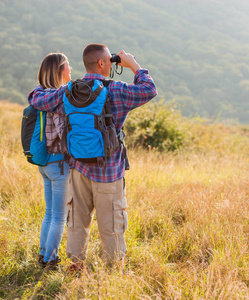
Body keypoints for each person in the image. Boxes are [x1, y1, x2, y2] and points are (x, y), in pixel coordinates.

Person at [28, 44, 157, 269]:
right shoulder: (116, 90)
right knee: (112, 223)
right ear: (101, 63)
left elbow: (36, 98)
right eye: (109, 60)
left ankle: (75, 264)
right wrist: (133, 65)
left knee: (78, 220)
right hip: (109, 171)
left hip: (78, 168)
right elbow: (149, 90)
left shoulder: (69, 90)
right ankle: (113, 268)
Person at [30, 52, 72, 269]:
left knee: (49, 213)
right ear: (60, 69)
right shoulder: (60, 98)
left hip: (44, 163)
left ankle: (43, 254)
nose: (71, 70)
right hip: (60, 163)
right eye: (68, 66)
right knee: (59, 216)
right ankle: (51, 260)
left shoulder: (38, 94)